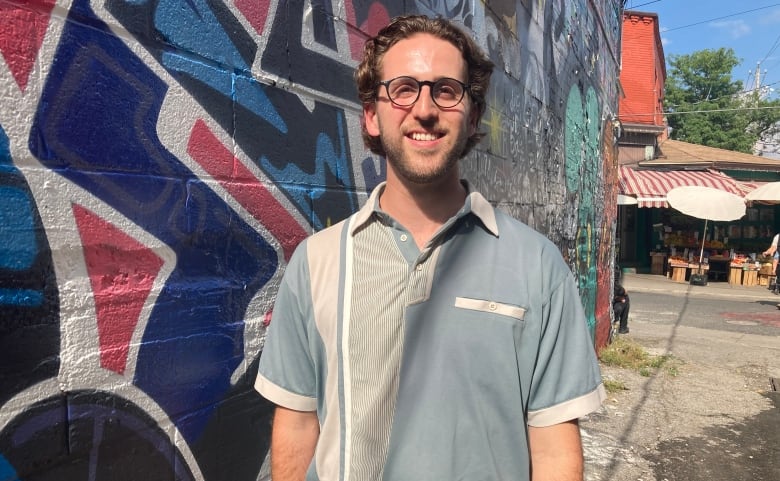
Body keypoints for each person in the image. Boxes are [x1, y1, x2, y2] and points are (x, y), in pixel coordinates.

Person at [255, 14, 605, 481]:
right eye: (402, 88)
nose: (424, 109)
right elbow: (297, 424)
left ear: (473, 115)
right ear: (372, 116)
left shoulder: (537, 266)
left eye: (446, 90)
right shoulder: (316, 262)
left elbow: (555, 450)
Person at [613, 269, 630, 334]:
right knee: (626, 298)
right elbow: (624, 292)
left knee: (622, 299)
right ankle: (623, 327)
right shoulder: (615, 285)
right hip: (613, 309)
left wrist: (618, 298)